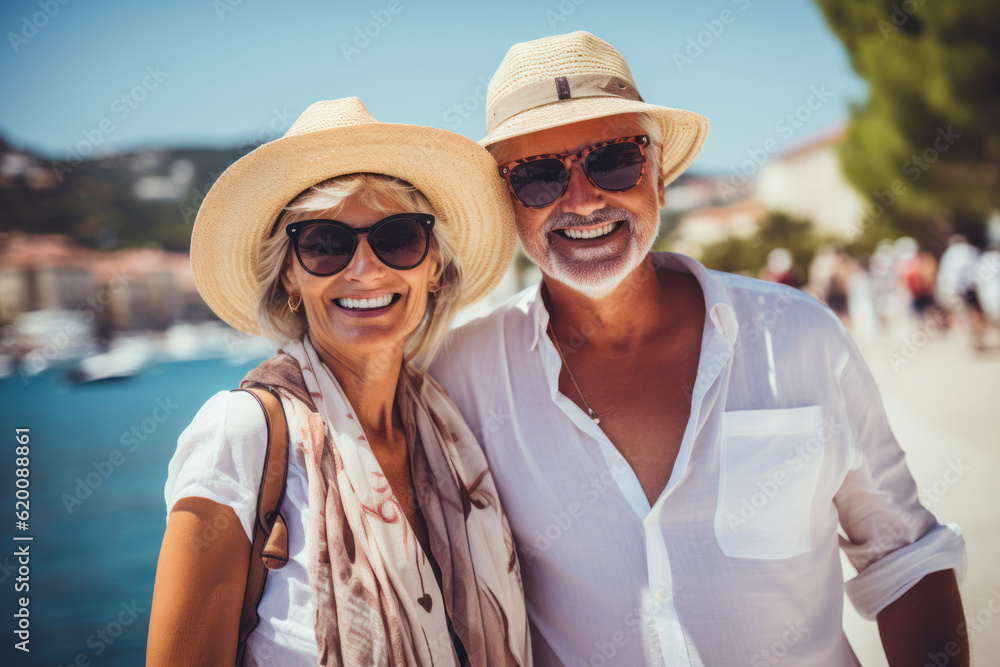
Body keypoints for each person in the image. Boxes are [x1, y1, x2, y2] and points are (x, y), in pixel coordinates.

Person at [429, 32, 968, 666]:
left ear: (657, 174)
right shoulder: (460, 376)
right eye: (538, 176)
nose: (581, 200)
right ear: (507, 203)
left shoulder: (799, 335)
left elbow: (905, 556)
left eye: (611, 161)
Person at [148, 98, 531, 666]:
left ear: (434, 266)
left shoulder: (456, 419)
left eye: (399, 237)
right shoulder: (241, 432)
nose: (365, 270)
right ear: (289, 275)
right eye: (324, 244)